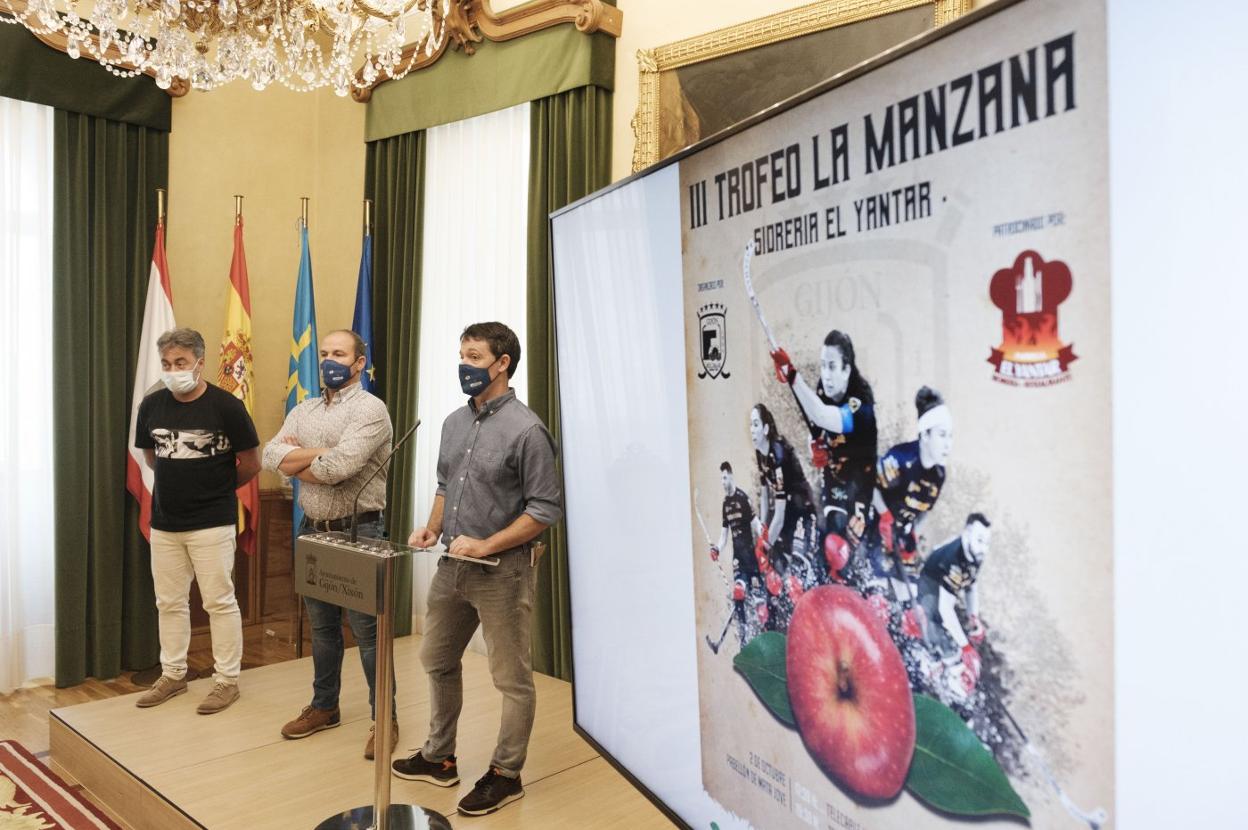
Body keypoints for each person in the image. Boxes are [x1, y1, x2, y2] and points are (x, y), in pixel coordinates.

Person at [392, 321, 561, 818]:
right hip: (451, 566)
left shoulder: (528, 430)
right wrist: (430, 529)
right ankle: (439, 756)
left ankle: (506, 775)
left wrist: (487, 543)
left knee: (511, 678)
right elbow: (448, 486)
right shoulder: (453, 422)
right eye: (461, 355)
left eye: (473, 356)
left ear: (502, 363)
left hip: (502, 573)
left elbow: (544, 510)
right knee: (436, 659)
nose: (464, 365)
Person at [261, 329, 397, 760]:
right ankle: (324, 706)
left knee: (368, 634)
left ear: (359, 362)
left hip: (359, 532)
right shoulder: (305, 408)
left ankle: (385, 718)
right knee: (321, 629)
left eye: (339, 354)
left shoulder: (372, 410)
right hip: (312, 527)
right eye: (324, 354)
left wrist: (299, 459)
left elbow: (340, 468)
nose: (329, 361)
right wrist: (319, 452)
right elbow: (269, 457)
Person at [133, 327, 260, 714]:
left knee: (219, 602)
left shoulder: (227, 407)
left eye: (181, 363)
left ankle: (226, 681)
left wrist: (217, 488)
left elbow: (251, 462)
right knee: (169, 602)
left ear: (200, 364)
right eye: (168, 364)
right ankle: (173, 674)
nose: (173, 370)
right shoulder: (152, 405)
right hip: (165, 522)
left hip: (211, 522)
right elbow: (152, 458)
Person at [770, 330, 878, 579]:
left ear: (846, 369)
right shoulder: (823, 389)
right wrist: (814, 447)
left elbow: (822, 416)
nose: (826, 376)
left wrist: (793, 378)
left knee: (844, 554)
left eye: (832, 367)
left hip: (859, 485)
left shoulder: (861, 401)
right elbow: (817, 430)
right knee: (827, 549)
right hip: (834, 481)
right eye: (822, 366)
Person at [750, 403, 818, 621]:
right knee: (775, 569)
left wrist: (765, 543)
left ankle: (811, 619)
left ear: (766, 429)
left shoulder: (777, 454)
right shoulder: (761, 453)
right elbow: (764, 495)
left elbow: (778, 514)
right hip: (785, 513)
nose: (751, 429)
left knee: (795, 575)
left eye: (755, 424)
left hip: (801, 512)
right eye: (750, 425)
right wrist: (762, 531)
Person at [916, 514, 991, 691]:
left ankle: (946, 664)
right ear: (968, 533)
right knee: (936, 622)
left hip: (946, 594)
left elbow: (971, 585)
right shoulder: (954, 559)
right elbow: (945, 609)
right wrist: (965, 648)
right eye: (980, 540)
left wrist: (974, 616)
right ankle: (933, 665)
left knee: (954, 631)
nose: (984, 549)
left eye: (987, 542)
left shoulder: (974, 553)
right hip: (930, 590)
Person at [713, 461, 763, 645]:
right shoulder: (725, 505)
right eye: (721, 479)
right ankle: (744, 641)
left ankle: (765, 637)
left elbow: (755, 523)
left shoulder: (743, 498)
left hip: (751, 558)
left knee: (760, 602)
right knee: (739, 594)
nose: (723, 483)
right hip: (738, 559)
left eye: (725, 478)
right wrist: (716, 548)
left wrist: (763, 535)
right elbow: (724, 534)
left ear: (731, 476)